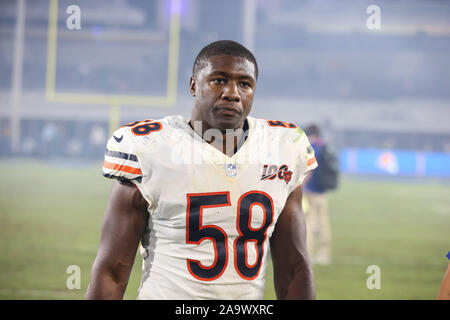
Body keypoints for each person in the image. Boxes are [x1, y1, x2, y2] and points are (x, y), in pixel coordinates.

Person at [85, 40, 318, 300]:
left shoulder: (284, 146)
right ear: (194, 84)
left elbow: (293, 269)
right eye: (219, 80)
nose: (232, 93)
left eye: (245, 83)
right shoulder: (149, 147)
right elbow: (112, 271)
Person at [303, 124, 338, 265]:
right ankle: (324, 255)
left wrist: (301, 186)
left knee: (309, 223)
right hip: (322, 192)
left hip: (308, 191)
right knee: (323, 222)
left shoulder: (309, 147)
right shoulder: (324, 146)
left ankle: (309, 254)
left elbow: (309, 170)